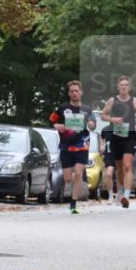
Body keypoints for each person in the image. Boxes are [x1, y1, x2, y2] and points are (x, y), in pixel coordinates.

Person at [101, 76, 136, 208]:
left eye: (126, 85)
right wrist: (112, 119)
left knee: (127, 165)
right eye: (121, 85)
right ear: (118, 87)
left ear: (130, 87)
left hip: (131, 136)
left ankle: (126, 196)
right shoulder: (112, 101)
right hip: (116, 137)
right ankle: (121, 191)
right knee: (120, 169)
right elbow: (103, 115)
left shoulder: (135, 101)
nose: (124, 87)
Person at [48, 81, 95, 214]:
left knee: (79, 172)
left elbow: (92, 123)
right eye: (72, 91)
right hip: (66, 146)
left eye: (76, 91)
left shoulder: (87, 109)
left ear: (81, 93)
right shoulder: (62, 108)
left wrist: (91, 124)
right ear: (69, 93)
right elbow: (52, 120)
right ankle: (78, 183)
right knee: (68, 178)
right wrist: (57, 126)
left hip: (82, 145)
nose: (74, 93)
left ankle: (73, 204)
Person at [100, 122, 116, 203]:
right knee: (109, 174)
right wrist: (102, 145)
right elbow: (102, 139)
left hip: (119, 154)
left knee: (121, 175)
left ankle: (122, 194)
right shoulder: (105, 129)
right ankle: (110, 196)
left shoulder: (122, 129)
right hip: (109, 154)